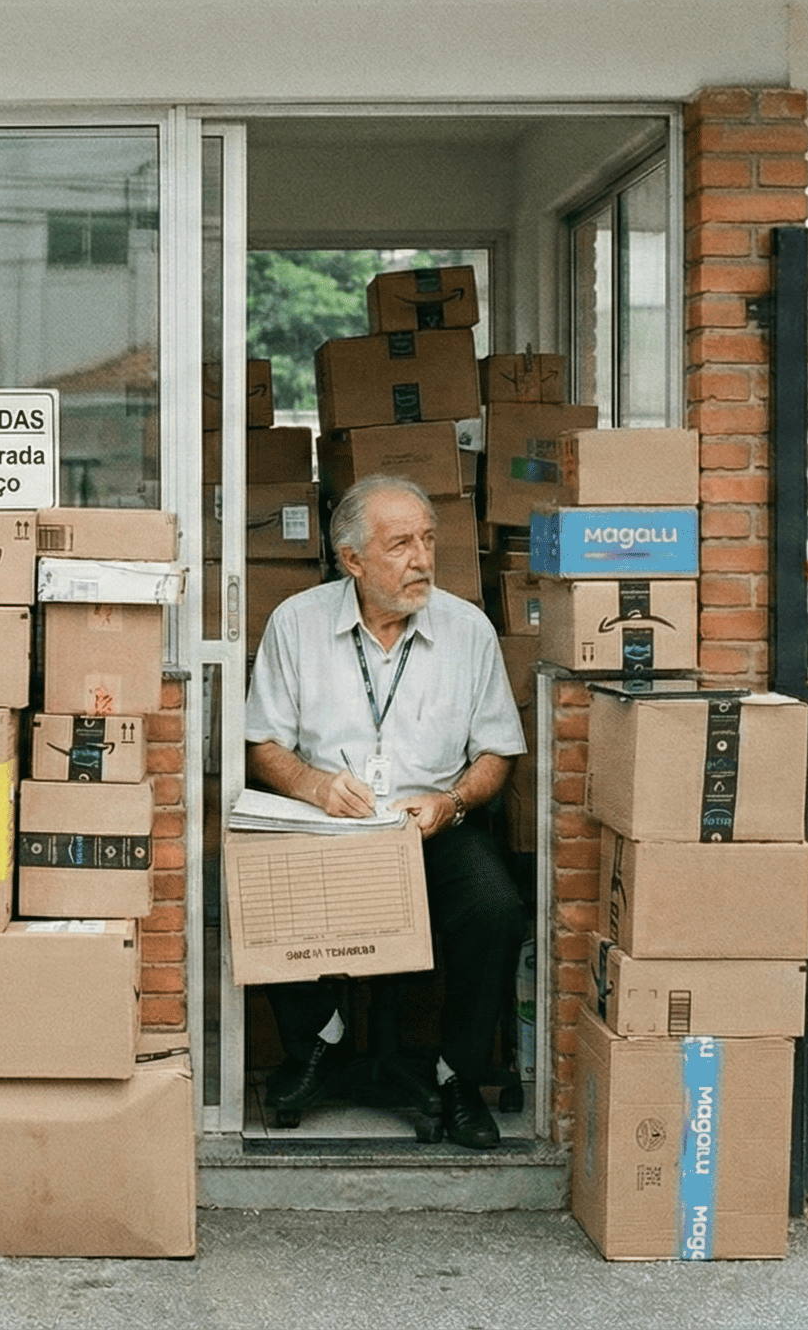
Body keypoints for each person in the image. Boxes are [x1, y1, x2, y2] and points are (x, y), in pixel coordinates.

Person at [240, 474, 525, 1149]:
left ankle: (456, 1073)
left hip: (430, 825)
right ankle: (323, 1039)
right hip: (330, 825)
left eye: (428, 540)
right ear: (352, 560)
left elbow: (497, 753)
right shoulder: (297, 624)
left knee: (496, 909)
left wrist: (451, 801)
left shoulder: (468, 630)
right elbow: (262, 745)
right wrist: (314, 786)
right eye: (400, 545)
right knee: (255, 879)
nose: (422, 559)